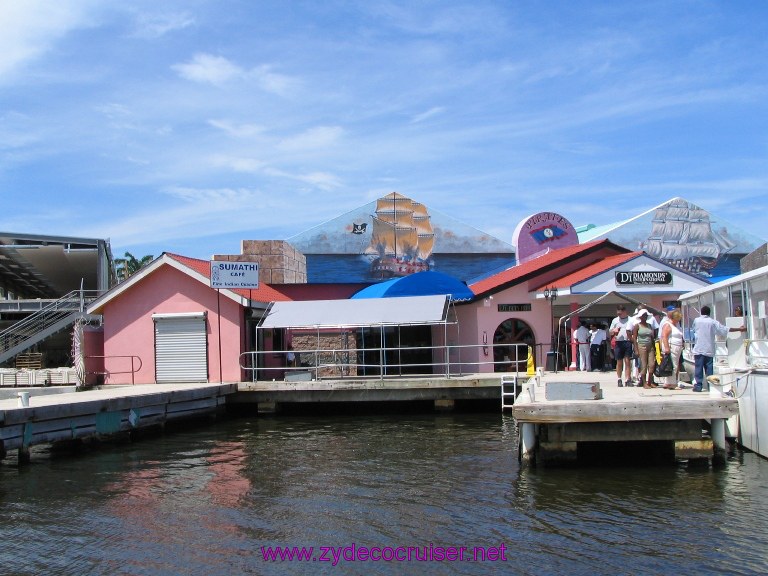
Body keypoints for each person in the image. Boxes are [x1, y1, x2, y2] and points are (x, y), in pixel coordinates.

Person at [691, 305, 747, 392]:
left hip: (698, 348)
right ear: (709, 313)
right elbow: (724, 329)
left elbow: (694, 330)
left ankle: (698, 386)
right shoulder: (712, 322)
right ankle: (711, 386)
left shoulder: (696, 320)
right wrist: (739, 329)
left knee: (698, 368)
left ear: (701, 312)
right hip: (709, 349)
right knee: (709, 369)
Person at [631, 309, 657, 388]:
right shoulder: (637, 326)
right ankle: (644, 382)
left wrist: (655, 348)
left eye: (646, 315)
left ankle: (649, 381)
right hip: (641, 346)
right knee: (643, 364)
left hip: (650, 345)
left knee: (652, 364)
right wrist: (636, 349)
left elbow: (652, 337)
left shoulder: (649, 325)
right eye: (644, 315)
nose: (645, 317)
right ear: (640, 317)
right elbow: (634, 338)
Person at [660, 309, 684, 389]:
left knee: (672, 365)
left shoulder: (675, 325)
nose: (678, 321)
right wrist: (667, 348)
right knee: (673, 365)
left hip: (676, 347)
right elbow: (664, 336)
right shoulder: (668, 325)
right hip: (671, 347)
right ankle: (672, 383)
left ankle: (668, 382)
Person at [609, 305, 633, 387]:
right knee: (619, 362)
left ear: (625, 312)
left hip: (627, 341)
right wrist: (613, 331)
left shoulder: (631, 319)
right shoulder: (615, 320)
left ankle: (627, 379)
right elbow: (610, 332)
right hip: (618, 342)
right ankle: (619, 379)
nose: (619, 315)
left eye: (620, 314)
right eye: (618, 314)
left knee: (627, 362)